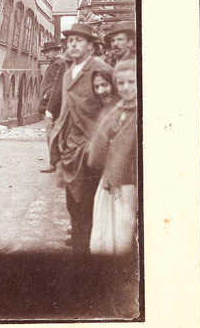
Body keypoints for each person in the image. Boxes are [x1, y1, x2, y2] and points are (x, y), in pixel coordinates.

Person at [49, 22, 111, 254]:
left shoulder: (100, 69)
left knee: (87, 207)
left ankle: (85, 257)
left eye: (79, 40)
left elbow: (112, 107)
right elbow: (65, 112)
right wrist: (59, 142)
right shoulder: (68, 74)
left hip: (93, 150)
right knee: (73, 205)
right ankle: (79, 251)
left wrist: (100, 141)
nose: (73, 44)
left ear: (91, 46)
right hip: (70, 150)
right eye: (70, 41)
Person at [88, 59, 138, 255]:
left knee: (125, 231)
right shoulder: (116, 111)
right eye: (121, 83)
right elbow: (98, 149)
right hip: (110, 180)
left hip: (131, 182)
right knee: (106, 232)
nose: (126, 87)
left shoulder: (142, 112)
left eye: (131, 82)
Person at [38, 40, 64, 173]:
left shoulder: (58, 63)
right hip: (51, 103)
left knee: (51, 133)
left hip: (53, 104)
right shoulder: (54, 63)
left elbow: (57, 84)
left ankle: (54, 163)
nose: (46, 54)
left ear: (56, 51)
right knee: (53, 133)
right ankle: (56, 162)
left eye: (49, 52)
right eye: (45, 52)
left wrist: (47, 95)